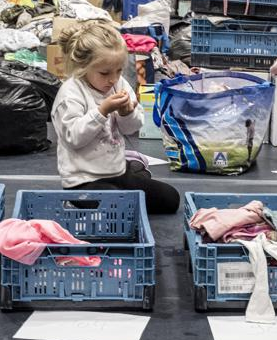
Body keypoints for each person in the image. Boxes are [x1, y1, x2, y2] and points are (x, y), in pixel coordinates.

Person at [51, 20, 180, 215]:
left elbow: (131, 129)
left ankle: (126, 186)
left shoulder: (117, 84)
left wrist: (126, 113)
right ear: (82, 67)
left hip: (117, 172)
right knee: (120, 210)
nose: (113, 78)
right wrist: (101, 112)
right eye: (105, 73)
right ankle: (76, 203)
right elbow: (73, 138)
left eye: (119, 70)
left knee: (171, 199)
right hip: (84, 182)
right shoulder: (70, 94)